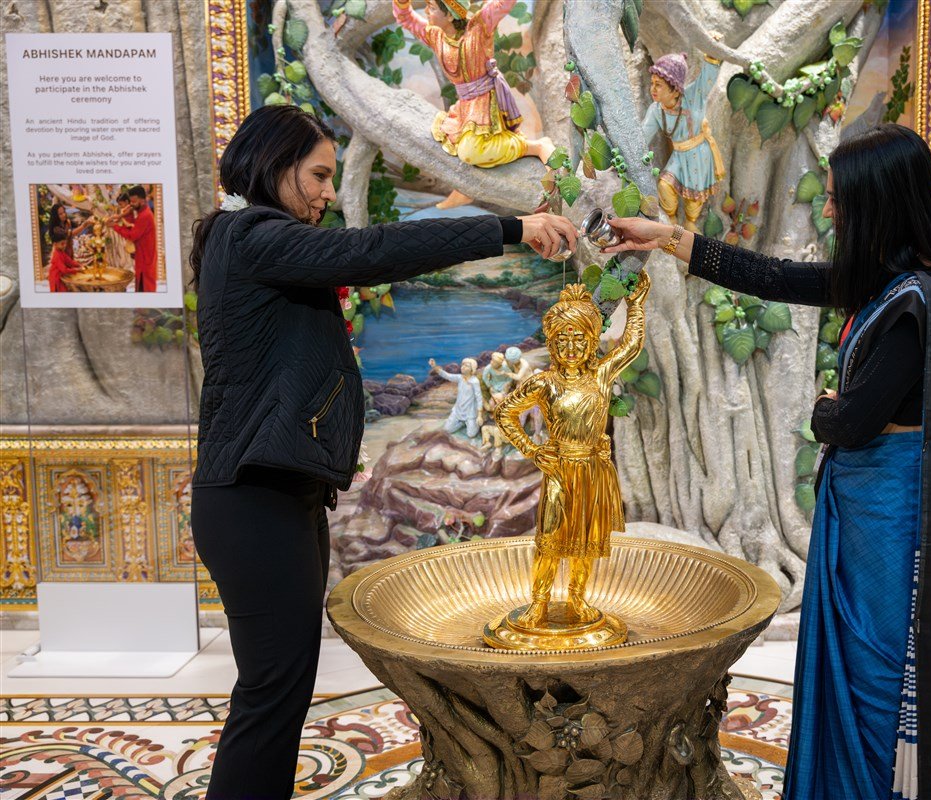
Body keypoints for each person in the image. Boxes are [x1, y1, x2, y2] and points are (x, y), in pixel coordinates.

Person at [188, 103, 576, 800]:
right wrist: (511, 227)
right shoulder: (251, 236)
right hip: (253, 500)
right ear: (273, 166)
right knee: (271, 696)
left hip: (277, 494)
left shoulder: (248, 240)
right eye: (317, 176)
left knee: (280, 692)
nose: (326, 193)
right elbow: (372, 252)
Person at [603, 123, 931, 800]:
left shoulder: (919, 302)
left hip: (886, 520)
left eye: (839, 199)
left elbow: (852, 423)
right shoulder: (898, 286)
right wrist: (665, 237)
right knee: (858, 664)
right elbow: (774, 277)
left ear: (880, 204)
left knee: (873, 670)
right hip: (871, 508)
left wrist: (824, 409)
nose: (828, 210)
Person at [493, 273, 650, 627]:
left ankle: (578, 599)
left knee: (586, 541)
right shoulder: (544, 383)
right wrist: (532, 450)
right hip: (559, 471)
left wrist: (636, 305)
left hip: (593, 471)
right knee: (549, 540)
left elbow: (631, 345)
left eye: (579, 339)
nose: (571, 348)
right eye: (563, 340)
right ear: (552, 344)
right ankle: (539, 603)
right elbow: (504, 413)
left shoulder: (601, 376)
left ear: (591, 342)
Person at [392, 0, 555, 209]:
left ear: (449, 14)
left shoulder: (479, 27)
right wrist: (402, 3)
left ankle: (536, 146)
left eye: (432, 8)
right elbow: (406, 18)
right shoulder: (436, 35)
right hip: (465, 108)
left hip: (487, 104)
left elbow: (503, 4)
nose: (426, 11)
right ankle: (465, 190)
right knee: (447, 141)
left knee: (470, 152)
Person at [642, 46, 726, 232]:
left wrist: (712, 55)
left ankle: (690, 222)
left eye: (658, 85)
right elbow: (643, 135)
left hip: (699, 155)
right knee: (665, 185)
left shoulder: (692, 97)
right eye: (652, 83)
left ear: (675, 90)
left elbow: (706, 80)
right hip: (679, 156)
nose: (653, 89)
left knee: (694, 197)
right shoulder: (656, 110)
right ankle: (671, 220)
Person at [110, 185, 158, 292]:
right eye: (130, 201)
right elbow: (132, 225)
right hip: (142, 256)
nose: (131, 204)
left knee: (146, 289)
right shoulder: (140, 212)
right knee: (140, 286)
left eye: (134, 201)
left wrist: (114, 226)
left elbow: (132, 235)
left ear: (143, 200)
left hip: (146, 259)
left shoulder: (145, 215)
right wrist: (122, 216)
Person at [429, 356, 484, 437]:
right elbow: (447, 375)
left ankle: (471, 423)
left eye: (466, 366)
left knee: (471, 434)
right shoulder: (460, 378)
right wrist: (434, 366)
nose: (463, 367)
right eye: (462, 365)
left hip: (470, 411)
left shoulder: (474, 381)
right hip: (458, 410)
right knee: (447, 430)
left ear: (472, 369)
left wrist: (479, 415)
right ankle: (461, 423)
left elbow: (479, 398)